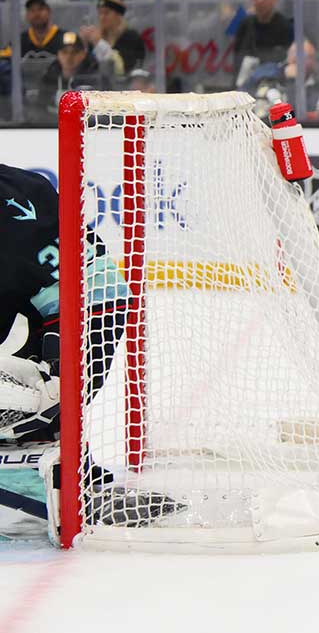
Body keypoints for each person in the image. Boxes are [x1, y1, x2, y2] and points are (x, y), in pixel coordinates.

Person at [0, 164, 183, 542]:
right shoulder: (20, 182)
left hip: (86, 308)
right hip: (76, 301)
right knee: (44, 406)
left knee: (44, 404)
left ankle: (78, 480)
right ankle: (76, 471)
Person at [232, 0, 293, 88]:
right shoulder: (245, 24)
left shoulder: (285, 25)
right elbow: (237, 58)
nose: (260, 1)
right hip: (246, 83)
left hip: (274, 84)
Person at [37, 31, 109, 118]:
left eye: (74, 52)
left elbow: (106, 112)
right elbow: (40, 110)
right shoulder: (48, 79)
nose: (69, 57)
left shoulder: (96, 79)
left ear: (83, 54)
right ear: (58, 54)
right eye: (64, 52)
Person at [79, 0, 147, 79]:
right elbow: (86, 68)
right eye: (100, 13)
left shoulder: (130, 37)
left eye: (106, 13)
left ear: (118, 15)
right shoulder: (97, 37)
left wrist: (98, 43)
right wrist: (83, 45)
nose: (102, 17)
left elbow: (121, 68)